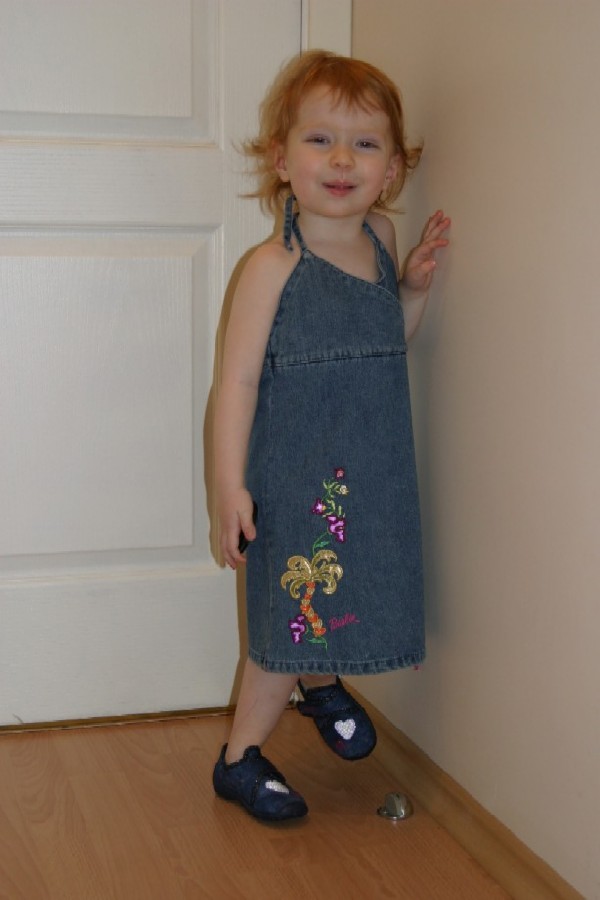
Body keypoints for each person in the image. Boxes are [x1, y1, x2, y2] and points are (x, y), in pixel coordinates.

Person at [212, 50, 450, 822]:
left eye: (365, 144)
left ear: (392, 170)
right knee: (291, 611)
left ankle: (318, 683)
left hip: (370, 473)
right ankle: (238, 759)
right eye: (320, 140)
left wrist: (412, 289)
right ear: (281, 160)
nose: (342, 159)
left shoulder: (380, 237)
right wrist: (228, 486)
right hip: (296, 478)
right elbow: (236, 385)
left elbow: (386, 340)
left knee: (341, 591)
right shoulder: (271, 267)